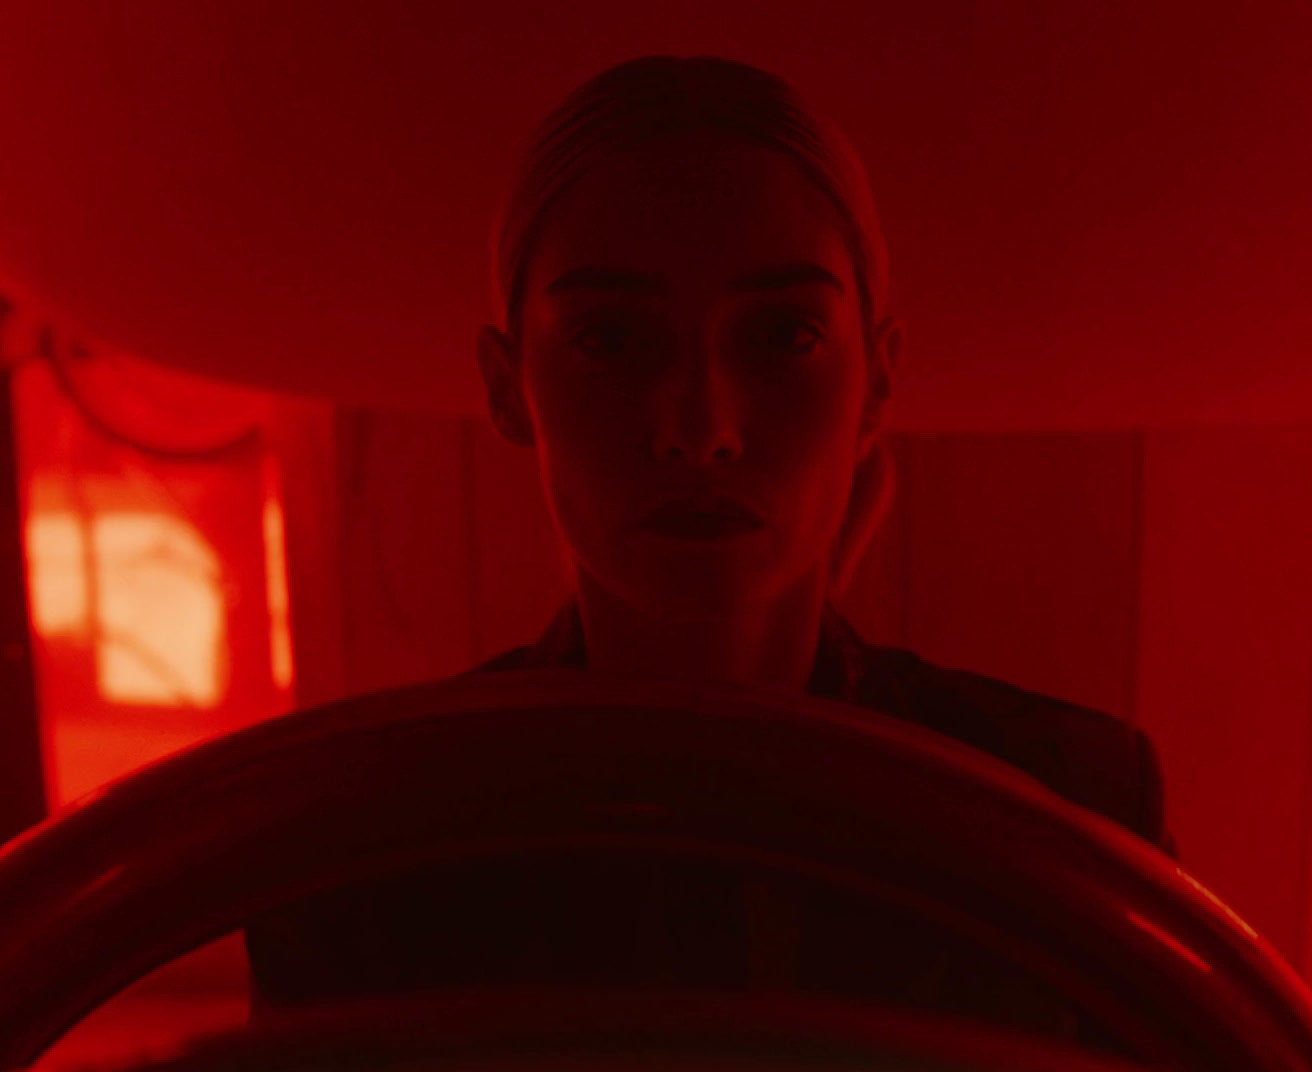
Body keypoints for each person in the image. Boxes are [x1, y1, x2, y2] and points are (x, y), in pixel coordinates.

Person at [246, 55, 1175, 1047]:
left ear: (879, 378)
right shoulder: (356, 848)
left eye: (782, 335)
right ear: (508, 383)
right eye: (610, 338)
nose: (700, 425)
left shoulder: (1071, 806)